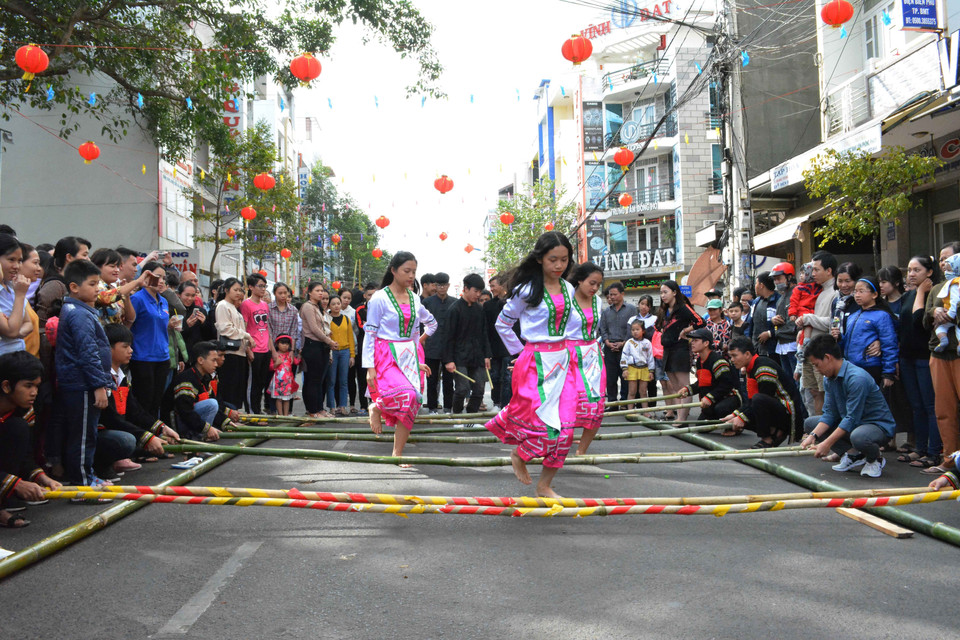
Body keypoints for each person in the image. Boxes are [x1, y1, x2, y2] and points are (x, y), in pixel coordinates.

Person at [484, 232, 580, 498]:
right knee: (542, 426)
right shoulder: (526, 290)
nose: (559, 265)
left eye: (564, 259)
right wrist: (520, 352)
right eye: (553, 260)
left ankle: (545, 485)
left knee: (566, 431)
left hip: (563, 361)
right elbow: (502, 323)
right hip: (535, 361)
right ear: (539, 259)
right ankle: (520, 454)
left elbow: (571, 327)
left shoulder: (569, 288)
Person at [363, 252, 437, 463]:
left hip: (409, 355)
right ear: (393, 271)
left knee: (413, 400)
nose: (411, 275)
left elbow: (430, 325)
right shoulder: (379, 298)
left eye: (414, 271)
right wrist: (370, 367)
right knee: (407, 395)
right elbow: (370, 334)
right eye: (407, 271)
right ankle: (376, 406)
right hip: (385, 354)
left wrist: (417, 356)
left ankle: (397, 453)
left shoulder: (415, 298)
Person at [800, 335, 897, 478]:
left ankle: (875, 458)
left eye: (816, 365)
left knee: (859, 436)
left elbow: (851, 418)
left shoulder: (857, 378)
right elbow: (829, 414)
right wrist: (813, 436)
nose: (817, 369)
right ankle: (853, 454)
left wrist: (826, 444)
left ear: (827, 358)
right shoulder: (829, 378)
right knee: (811, 424)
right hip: (852, 423)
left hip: (876, 426)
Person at [56, 259, 115, 486]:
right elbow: (87, 353)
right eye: (92, 284)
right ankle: (83, 484)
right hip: (82, 384)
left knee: (87, 434)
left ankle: (88, 476)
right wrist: (99, 385)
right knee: (83, 437)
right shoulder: (78, 314)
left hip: (84, 383)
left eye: (98, 283)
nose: (98, 289)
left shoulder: (82, 310)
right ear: (74, 287)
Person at [100, 324, 180, 468]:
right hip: (103, 432)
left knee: (151, 440)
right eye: (125, 347)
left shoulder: (122, 377)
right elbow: (110, 419)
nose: (131, 351)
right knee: (128, 440)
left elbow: (135, 411)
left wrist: (162, 428)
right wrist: (147, 437)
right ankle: (105, 464)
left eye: (130, 346)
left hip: (117, 429)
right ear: (108, 347)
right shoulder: (102, 378)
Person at [0, 352, 61, 528]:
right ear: (6, 386)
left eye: (36, 386)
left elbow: (25, 456)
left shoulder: (24, 411)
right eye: (28, 386)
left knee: (17, 428)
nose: (34, 392)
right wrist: (16, 484)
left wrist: (42, 478)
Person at [900, 256, 943, 470]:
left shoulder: (934, 294)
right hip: (906, 358)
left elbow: (919, 322)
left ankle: (934, 452)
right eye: (909, 270)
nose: (911, 274)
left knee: (930, 406)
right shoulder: (908, 295)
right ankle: (920, 447)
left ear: (929, 272)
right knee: (916, 407)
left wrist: (920, 293)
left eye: (917, 269)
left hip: (925, 358)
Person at [722, 336, 803, 447]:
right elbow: (751, 401)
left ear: (747, 354)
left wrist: (742, 418)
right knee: (739, 412)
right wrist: (735, 415)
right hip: (776, 407)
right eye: (731, 356)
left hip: (788, 413)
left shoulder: (763, 368)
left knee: (758, 400)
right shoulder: (751, 367)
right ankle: (773, 431)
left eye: (735, 356)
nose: (732, 360)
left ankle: (769, 437)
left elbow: (762, 399)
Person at [923, 241, 960, 474]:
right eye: (941, 258)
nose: (944, 262)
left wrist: (952, 315)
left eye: (948, 258)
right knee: (944, 410)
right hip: (938, 353)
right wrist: (933, 312)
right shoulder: (936, 289)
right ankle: (949, 459)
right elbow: (925, 322)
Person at [831, 276, 898, 393]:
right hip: (852, 366)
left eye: (861, 291)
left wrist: (888, 373)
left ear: (874, 295)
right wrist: (839, 338)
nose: (857, 295)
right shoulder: (853, 316)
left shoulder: (881, 316)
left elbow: (889, 344)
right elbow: (847, 342)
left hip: (870, 366)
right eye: (855, 291)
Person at [567, 262, 605, 456]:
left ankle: (581, 450)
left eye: (598, 284)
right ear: (579, 280)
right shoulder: (565, 299)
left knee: (596, 404)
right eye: (592, 283)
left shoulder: (598, 301)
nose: (595, 288)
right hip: (568, 354)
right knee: (567, 403)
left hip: (592, 355)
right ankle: (561, 446)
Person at [127, 261, 174, 418]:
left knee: (156, 401)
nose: (161, 281)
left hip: (163, 357)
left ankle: (156, 434)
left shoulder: (164, 301)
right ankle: (144, 437)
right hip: (142, 357)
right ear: (146, 276)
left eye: (164, 278)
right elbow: (129, 324)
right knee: (144, 400)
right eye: (157, 276)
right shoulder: (137, 299)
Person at [795, 250, 838, 415]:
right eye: (811, 270)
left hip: (823, 351)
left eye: (816, 270)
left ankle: (821, 430)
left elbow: (832, 323)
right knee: (812, 391)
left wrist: (808, 318)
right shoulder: (816, 291)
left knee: (823, 392)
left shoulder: (834, 294)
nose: (812, 274)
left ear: (829, 271)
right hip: (809, 348)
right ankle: (814, 427)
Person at [443, 274, 491, 415]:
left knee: (479, 389)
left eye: (479, 292)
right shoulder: (454, 309)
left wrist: (487, 355)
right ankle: (457, 416)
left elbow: (484, 333)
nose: (477, 295)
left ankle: (471, 418)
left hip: (477, 356)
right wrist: (448, 360)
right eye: (475, 291)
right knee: (462, 389)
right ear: (465, 289)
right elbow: (448, 337)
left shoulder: (479, 309)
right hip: (459, 357)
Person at [657, 280, 705, 422]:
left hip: (680, 350)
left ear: (674, 292)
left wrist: (686, 330)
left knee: (684, 386)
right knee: (674, 386)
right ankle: (679, 416)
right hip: (667, 349)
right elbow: (657, 325)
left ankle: (682, 419)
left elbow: (701, 321)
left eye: (665, 292)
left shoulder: (683, 308)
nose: (663, 295)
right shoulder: (664, 310)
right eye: (661, 293)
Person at [173, 341, 238, 441]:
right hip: (179, 423)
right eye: (213, 360)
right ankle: (197, 436)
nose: (216, 364)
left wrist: (225, 421)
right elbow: (185, 412)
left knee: (214, 403)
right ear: (200, 360)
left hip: (192, 420)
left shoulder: (205, 378)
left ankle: (202, 434)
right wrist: (207, 428)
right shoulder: (186, 379)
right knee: (212, 404)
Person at [678, 327, 741, 423]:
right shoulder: (700, 361)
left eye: (696, 340)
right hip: (713, 401)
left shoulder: (717, 361)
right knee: (700, 427)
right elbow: (702, 383)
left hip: (727, 399)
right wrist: (687, 390)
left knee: (720, 409)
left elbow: (726, 385)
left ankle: (733, 423)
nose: (692, 343)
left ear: (706, 343)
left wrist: (710, 397)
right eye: (692, 340)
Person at [214, 277, 254, 414]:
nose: (238, 293)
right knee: (229, 387)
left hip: (240, 352)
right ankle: (229, 415)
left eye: (240, 290)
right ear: (226, 290)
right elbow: (225, 329)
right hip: (229, 353)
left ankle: (234, 414)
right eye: (235, 289)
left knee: (238, 387)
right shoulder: (223, 306)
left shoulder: (234, 308)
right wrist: (246, 335)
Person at [300, 282, 339, 418]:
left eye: (322, 290)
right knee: (311, 380)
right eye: (317, 290)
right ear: (309, 292)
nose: (320, 293)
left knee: (319, 381)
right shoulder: (307, 307)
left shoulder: (318, 308)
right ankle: (312, 410)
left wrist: (328, 343)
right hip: (311, 346)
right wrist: (329, 341)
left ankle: (319, 408)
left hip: (321, 347)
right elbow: (314, 328)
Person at [90, 248, 148, 328]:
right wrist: (136, 282)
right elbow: (104, 297)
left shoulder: (115, 287)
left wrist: (126, 296)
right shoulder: (94, 285)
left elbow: (130, 319)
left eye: (117, 267)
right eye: (112, 266)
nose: (117, 270)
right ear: (97, 267)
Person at [423, 272, 455, 413]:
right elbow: (420, 324)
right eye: (439, 285)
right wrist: (422, 341)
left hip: (449, 347)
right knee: (432, 379)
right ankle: (432, 407)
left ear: (448, 285)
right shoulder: (427, 303)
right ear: (435, 286)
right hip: (431, 346)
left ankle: (448, 407)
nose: (441, 288)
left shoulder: (454, 302)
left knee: (449, 380)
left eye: (444, 285)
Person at [599, 282, 637, 402]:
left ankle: (625, 401)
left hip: (626, 348)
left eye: (615, 294)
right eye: (610, 295)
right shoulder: (606, 312)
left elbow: (634, 328)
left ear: (622, 294)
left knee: (625, 376)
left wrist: (624, 342)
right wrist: (607, 342)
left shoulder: (631, 310)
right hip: (609, 348)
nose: (612, 297)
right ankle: (612, 402)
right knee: (610, 377)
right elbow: (602, 329)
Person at [240, 274, 271, 415]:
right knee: (252, 384)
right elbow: (244, 328)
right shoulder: (246, 304)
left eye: (264, 286)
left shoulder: (265, 305)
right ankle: (252, 413)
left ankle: (258, 410)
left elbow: (267, 328)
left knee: (261, 383)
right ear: (251, 287)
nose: (263, 289)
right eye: (260, 286)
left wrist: (272, 351)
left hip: (266, 349)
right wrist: (248, 349)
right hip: (254, 348)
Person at [485, 274, 512, 412]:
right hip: (494, 348)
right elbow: (486, 328)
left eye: (493, 286)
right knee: (495, 377)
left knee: (508, 378)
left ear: (502, 286)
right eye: (490, 286)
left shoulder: (513, 303)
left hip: (510, 348)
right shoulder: (488, 305)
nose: (491, 289)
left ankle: (506, 406)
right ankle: (496, 403)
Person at [0, 234, 31, 355]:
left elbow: (29, 324)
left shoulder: (12, 287)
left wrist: (17, 331)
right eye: (11, 260)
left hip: (18, 357)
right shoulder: (18, 291)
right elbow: (11, 332)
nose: (16, 266)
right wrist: (20, 296)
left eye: (20, 261)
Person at [325, 295, 356, 416]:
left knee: (344, 381)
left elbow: (350, 338)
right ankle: (332, 407)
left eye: (338, 303)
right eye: (333, 304)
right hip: (332, 352)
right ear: (329, 306)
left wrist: (352, 355)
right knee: (331, 381)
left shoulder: (346, 319)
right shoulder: (326, 319)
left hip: (345, 352)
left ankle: (342, 406)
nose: (336, 306)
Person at [769, 262, 799, 376]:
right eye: (775, 279)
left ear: (789, 277)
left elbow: (795, 320)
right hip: (782, 343)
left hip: (793, 343)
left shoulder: (797, 293)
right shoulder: (781, 297)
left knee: (796, 381)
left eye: (779, 279)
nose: (777, 282)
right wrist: (774, 321)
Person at [628, 294, 658, 400]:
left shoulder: (655, 319)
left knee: (650, 382)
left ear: (650, 307)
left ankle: (652, 407)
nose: (644, 307)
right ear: (638, 304)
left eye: (647, 305)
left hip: (650, 353)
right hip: (635, 355)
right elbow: (629, 337)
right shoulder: (632, 319)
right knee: (635, 384)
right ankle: (638, 407)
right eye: (642, 304)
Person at [620, 320, 654, 410]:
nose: (635, 332)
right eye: (633, 330)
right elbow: (624, 356)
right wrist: (624, 369)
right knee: (632, 391)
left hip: (644, 368)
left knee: (643, 392)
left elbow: (650, 357)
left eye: (637, 329)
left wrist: (651, 371)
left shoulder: (647, 343)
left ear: (643, 330)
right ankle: (630, 411)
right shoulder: (629, 343)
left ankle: (646, 411)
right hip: (632, 368)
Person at [268, 335, 300, 416]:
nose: (285, 345)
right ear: (277, 344)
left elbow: (296, 362)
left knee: (287, 399)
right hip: (278, 381)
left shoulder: (290, 355)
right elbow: (271, 367)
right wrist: (276, 364)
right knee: (278, 399)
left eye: (287, 343)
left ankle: (286, 415)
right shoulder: (275, 355)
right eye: (282, 343)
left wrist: (299, 355)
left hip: (288, 382)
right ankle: (280, 414)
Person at [751, 271, 780, 358]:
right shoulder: (756, 302)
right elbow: (751, 324)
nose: (755, 287)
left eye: (756, 283)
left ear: (761, 285)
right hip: (757, 349)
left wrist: (770, 333)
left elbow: (784, 324)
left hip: (773, 350)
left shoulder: (778, 301)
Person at [177, 281, 207, 359]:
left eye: (193, 295)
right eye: (187, 295)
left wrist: (204, 323)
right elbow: (175, 336)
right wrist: (186, 326)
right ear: (179, 295)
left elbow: (207, 336)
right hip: (180, 356)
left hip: (198, 355)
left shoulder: (201, 311)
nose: (190, 298)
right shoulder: (175, 311)